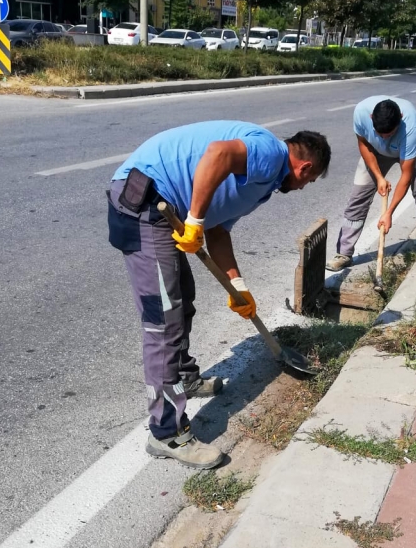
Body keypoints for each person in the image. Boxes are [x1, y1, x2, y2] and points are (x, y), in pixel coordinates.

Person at [108, 122, 331, 469]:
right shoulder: (271, 155)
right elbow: (218, 154)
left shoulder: (264, 183)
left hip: (162, 207)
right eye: (309, 181)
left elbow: (217, 229)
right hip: (144, 202)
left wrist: (238, 286)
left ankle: (183, 378)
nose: (303, 187)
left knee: (183, 298)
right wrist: (193, 220)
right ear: (305, 168)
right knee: (163, 323)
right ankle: (167, 433)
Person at [326, 96, 416, 274]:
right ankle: (343, 253)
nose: (385, 137)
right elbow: (363, 144)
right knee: (358, 196)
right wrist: (379, 177)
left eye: (389, 134)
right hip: (375, 151)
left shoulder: (410, 127)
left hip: (412, 150)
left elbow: (406, 174)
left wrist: (389, 213)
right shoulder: (361, 113)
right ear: (372, 118)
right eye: (380, 134)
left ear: (400, 118)